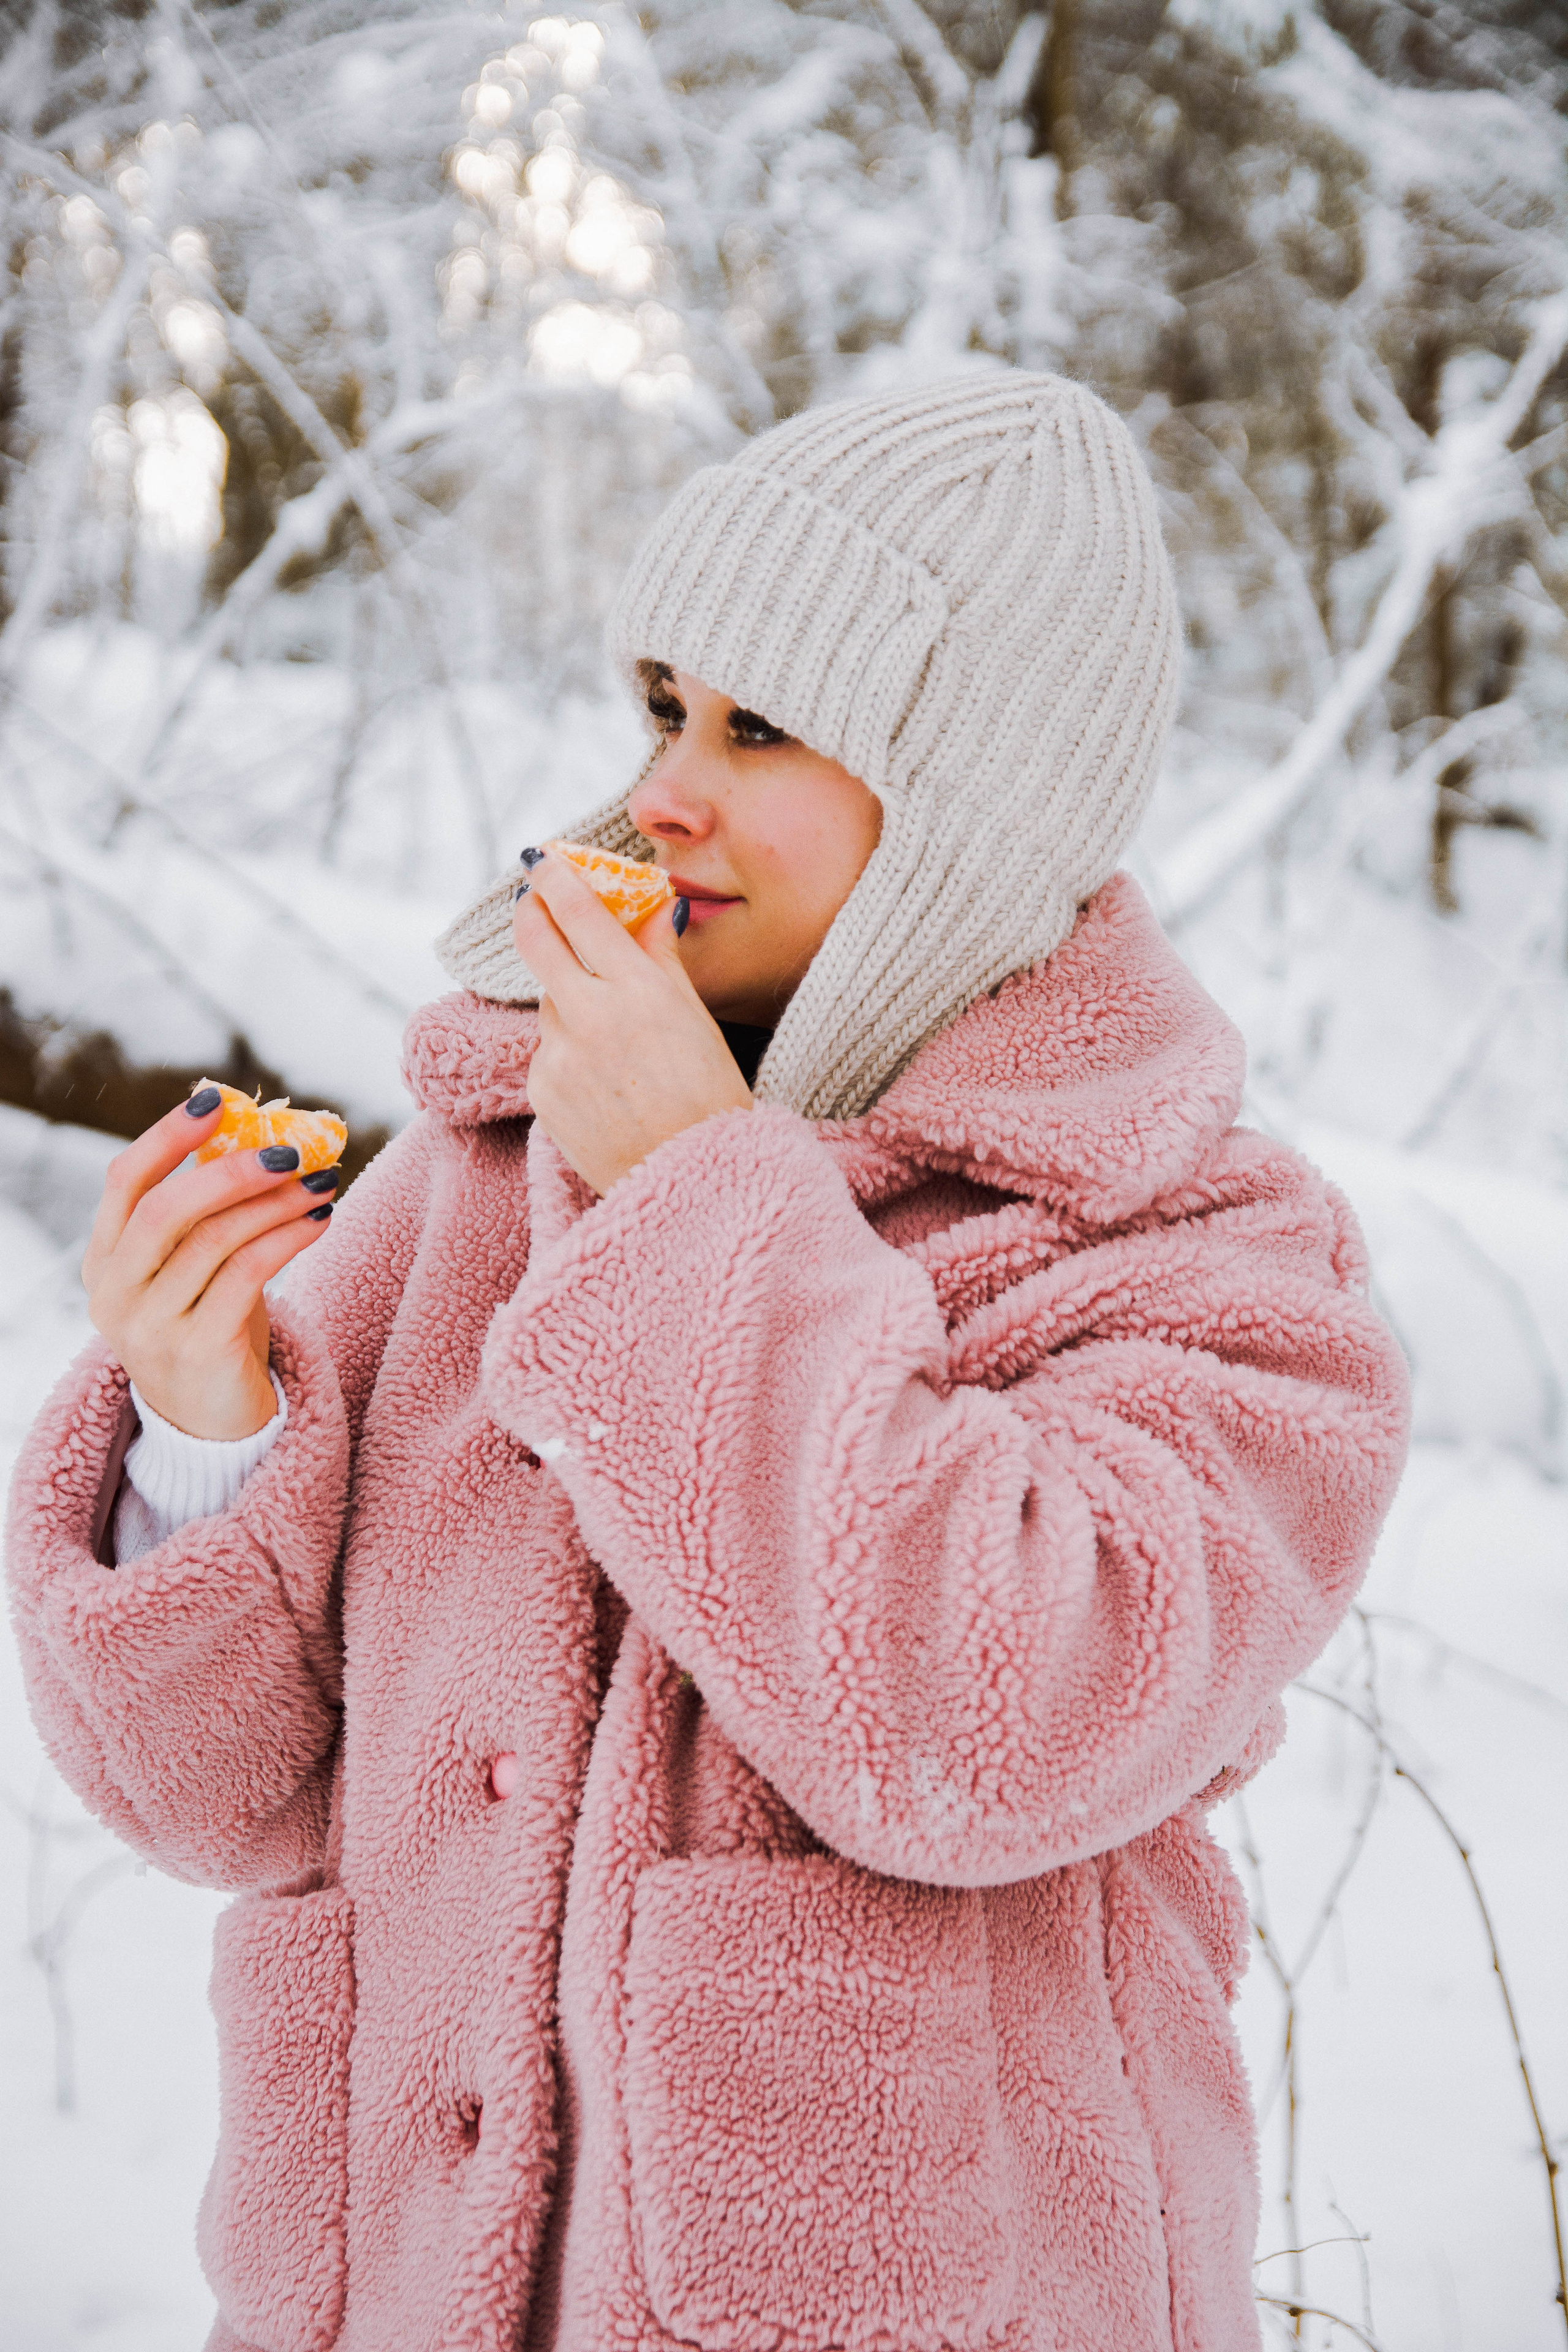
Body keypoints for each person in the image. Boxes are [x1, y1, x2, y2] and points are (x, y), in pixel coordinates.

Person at [7, 374, 1409, 2352]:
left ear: (969, 802)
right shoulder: (471, 1181)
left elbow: (980, 1725)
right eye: (668, 707)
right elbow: (218, 1799)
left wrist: (691, 1198)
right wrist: (200, 1428)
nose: (665, 789)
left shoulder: (1199, 1254)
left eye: (763, 730)